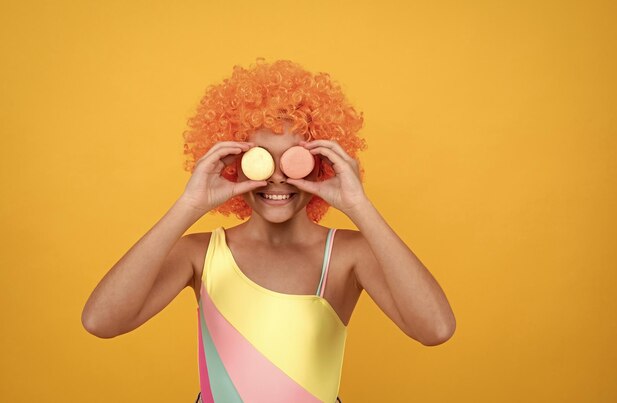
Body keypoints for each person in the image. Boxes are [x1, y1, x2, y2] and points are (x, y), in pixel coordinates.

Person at [82, 59, 456, 403]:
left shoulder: (346, 255)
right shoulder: (202, 254)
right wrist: (189, 206)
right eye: (260, 159)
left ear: (323, 165)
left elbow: (435, 329)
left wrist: (360, 206)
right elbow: (101, 322)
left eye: (295, 160)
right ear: (233, 164)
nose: (277, 175)